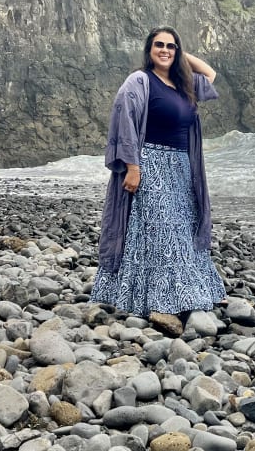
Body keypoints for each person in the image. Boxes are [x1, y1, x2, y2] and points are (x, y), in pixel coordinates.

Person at [90, 27, 225, 317]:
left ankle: (184, 292)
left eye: (170, 46)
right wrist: (133, 167)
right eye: (158, 45)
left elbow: (211, 74)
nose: (164, 50)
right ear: (148, 50)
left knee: (181, 229)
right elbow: (123, 122)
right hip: (150, 164)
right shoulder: (139, 81)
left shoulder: (185, 84)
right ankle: (150, 297)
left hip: (181, 167)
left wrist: (179, 54)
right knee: (157, 231)